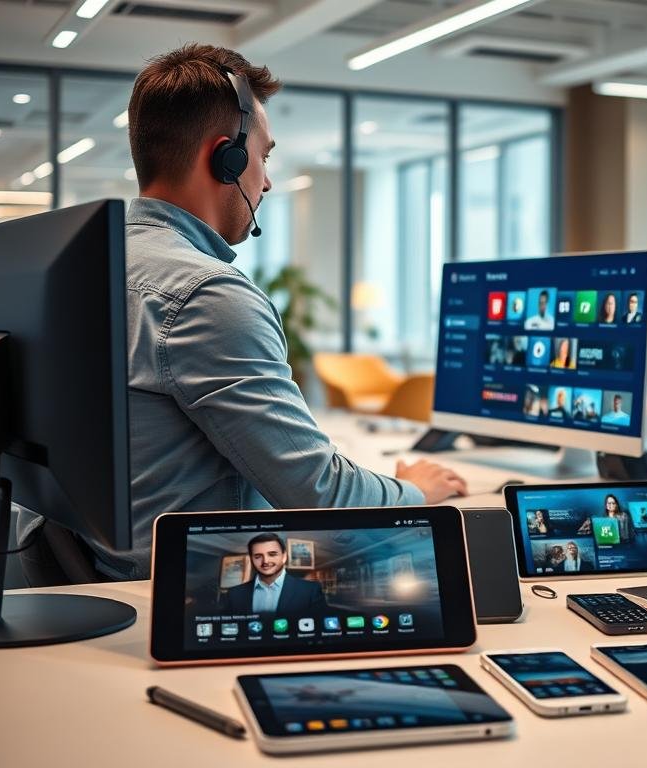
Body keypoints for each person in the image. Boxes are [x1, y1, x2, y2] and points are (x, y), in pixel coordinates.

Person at [80, 45, 466, 580]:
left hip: (101, 567)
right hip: (193, 593)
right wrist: (416, 488)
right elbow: (320, 495)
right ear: (226, 159)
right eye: (264, 156)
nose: (267, 181)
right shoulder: (205, 293)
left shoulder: (97, 263)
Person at [221, 533, 327, 615]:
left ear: (284, 556)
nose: (265, 561)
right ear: (252, 559)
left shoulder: (310, 590)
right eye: (258, 556)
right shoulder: (234, 594)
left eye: (272, 554)